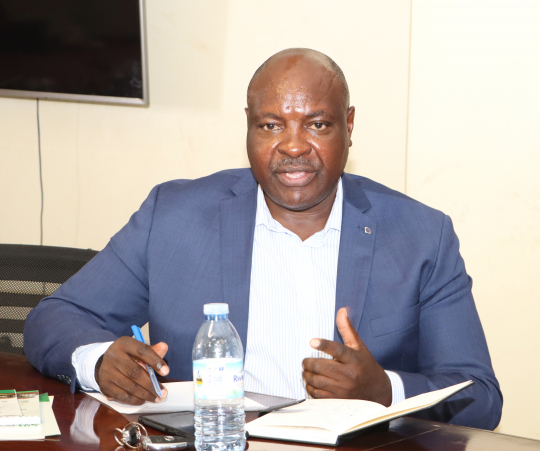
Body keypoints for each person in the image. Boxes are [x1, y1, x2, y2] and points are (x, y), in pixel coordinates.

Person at [24, 48, 502, 429]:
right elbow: (54, 318)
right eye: (271, 125)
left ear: (349, 126)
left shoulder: (421, 236)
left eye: (317, 124)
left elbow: (479, 396)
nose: (293, 146)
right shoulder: (173, 216)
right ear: (249, 127)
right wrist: (98, 360)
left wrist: (384, 391)